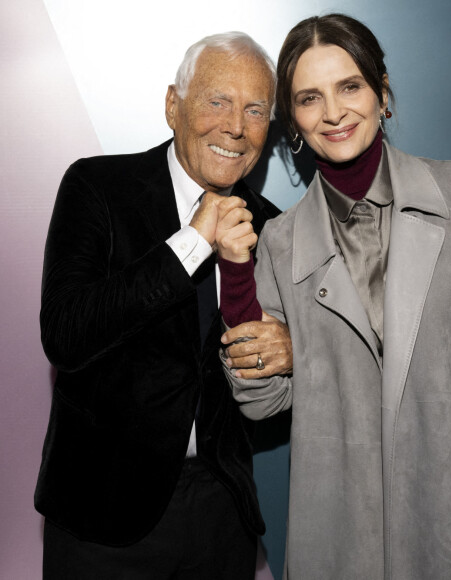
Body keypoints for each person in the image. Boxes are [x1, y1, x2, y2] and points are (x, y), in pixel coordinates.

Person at [219, 14, 451, 580]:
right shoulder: (278, 241)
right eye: (308, 98)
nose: (334, 112)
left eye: (350, 86)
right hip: (340, 536)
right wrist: (235, 272)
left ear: (382, 90)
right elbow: (261, 400)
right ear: (292, 121)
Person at [34, 32, 292, 580]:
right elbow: (65, 334)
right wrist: (192, 242)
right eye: (217, 101)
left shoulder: (275, 230)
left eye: (254, 110)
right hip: (101, 517)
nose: (235, 127)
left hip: (223, 516)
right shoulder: (97, 186)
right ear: (173, 105)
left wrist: (295, 349)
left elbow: (281, 374)